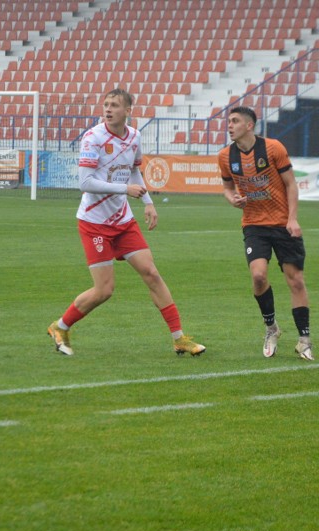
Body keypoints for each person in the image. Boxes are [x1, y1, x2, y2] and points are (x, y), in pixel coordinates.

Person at [47, 88, 205, 357]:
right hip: (94, 222)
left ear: (128, 111)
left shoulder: (134, 136)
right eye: (106, 104)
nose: (108, 109)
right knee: (104, 290)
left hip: (123, 220)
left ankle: (180, 338)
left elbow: (133, 169)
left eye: (115, 105)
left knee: (152, 274)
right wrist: (124, 190)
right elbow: (84, 183)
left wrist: (148, 203)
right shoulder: (93, 137)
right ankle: (60, 326)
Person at [217, 107, 313, 361]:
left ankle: (304, 338)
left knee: (296, 280)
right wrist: (232, 198)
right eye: (229, 121)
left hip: (282, 224)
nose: (230, 125)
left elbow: (291, 184)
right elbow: (227, 187)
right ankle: (271, 328)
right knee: (258, 277)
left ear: (249, 125)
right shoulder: (225, 156)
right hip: (254, 224)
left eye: (235, 121)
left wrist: (292, 219)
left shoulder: (273, 148)